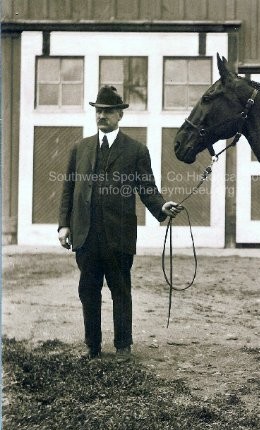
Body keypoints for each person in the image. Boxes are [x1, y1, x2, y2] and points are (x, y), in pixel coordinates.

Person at [58, 85, 183, 361]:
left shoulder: (136, 150)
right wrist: (63, 225)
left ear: (119, 115)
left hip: (119, 235)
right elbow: (69, 189)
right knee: (88, 291)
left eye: (107, 112)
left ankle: (123, 346)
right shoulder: (80, 148)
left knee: (121, 291)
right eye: (98, 111)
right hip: (86, 236)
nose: (101, 116)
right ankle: (92, 346)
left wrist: (162, 206)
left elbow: (147, 187)